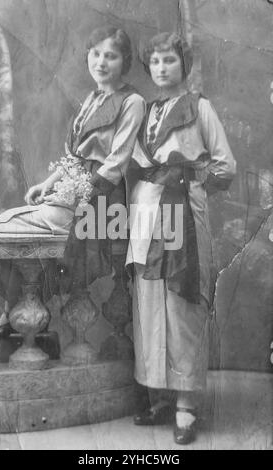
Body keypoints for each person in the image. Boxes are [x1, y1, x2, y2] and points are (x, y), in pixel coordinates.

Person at [0, 25, 145, 337]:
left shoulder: (132, 101)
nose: (101, 62)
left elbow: (117, 161)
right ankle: (16, 310)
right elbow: (73, 156)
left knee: (3, 227)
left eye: (110, 56)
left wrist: (82, 194)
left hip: (102, 198)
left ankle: (14, 313)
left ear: (124, 61)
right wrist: (48, 184)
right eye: (96, 54)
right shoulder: (91, 100)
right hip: (73, 189)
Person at [126, 32, 236, 444]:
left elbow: (225, 167)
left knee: (183, 305)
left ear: (183, 64)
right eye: (154, 61)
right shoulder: (145, 110)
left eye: (168, 60)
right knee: (150, 304)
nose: (160, 68)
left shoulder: (199, 107)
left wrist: (188, 176)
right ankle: (160, 395)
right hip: (145, 214)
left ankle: (187, 405)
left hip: (183, 213)